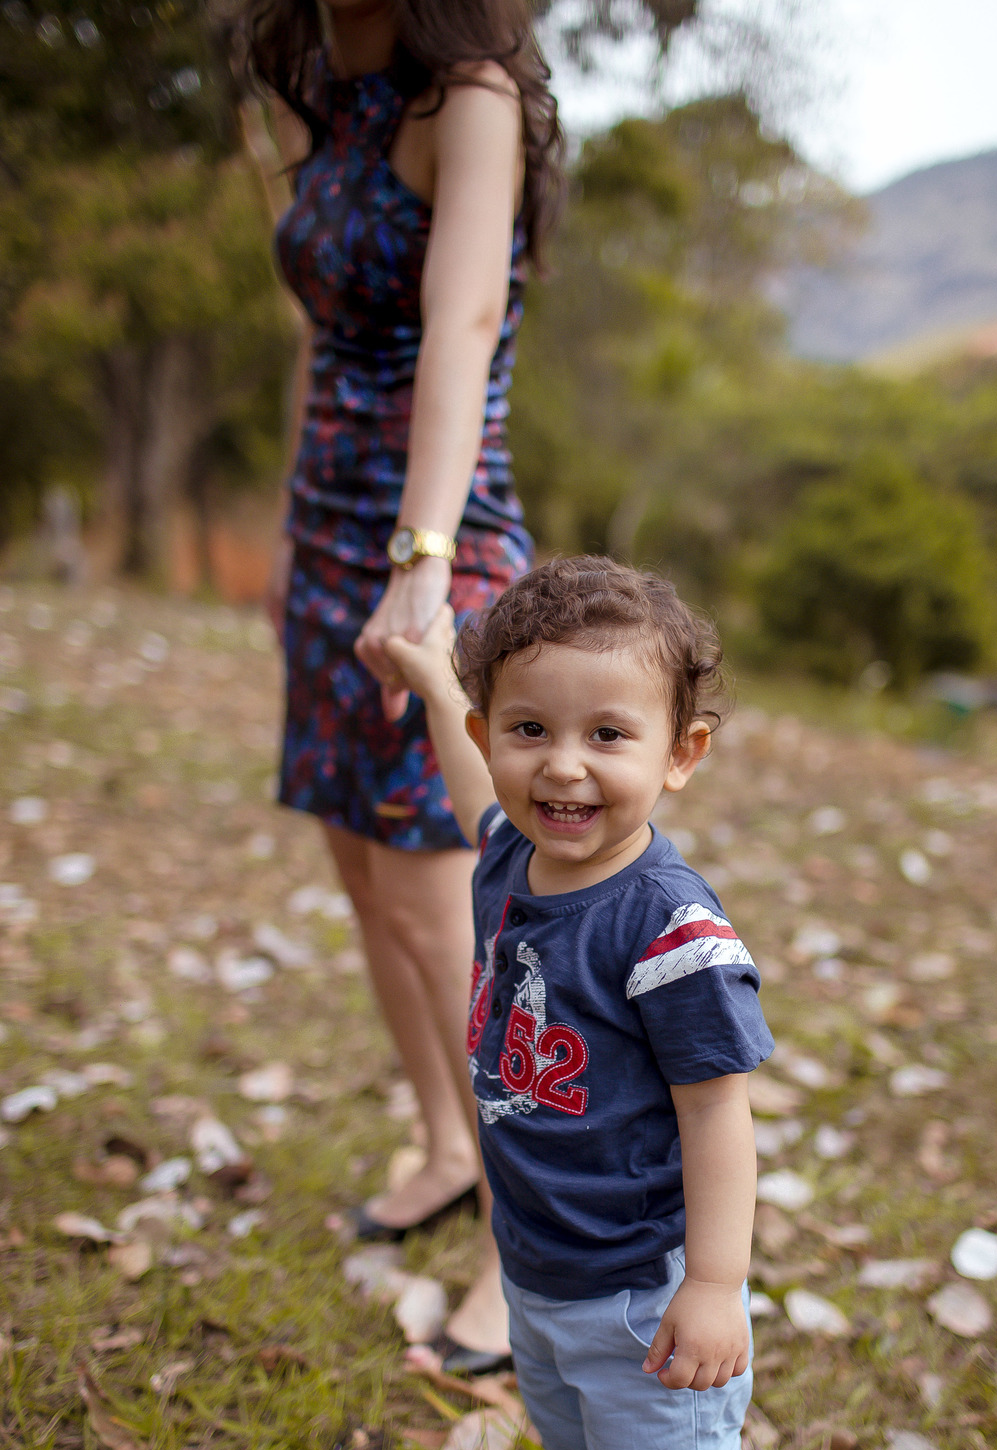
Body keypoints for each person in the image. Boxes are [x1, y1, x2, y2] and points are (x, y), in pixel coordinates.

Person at [386, 555, 773, 1450]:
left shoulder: (668, 927)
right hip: (542, 1264)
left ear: (681, 752)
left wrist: (713, 1284)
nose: (563, 765)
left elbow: (719, 1113)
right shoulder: (510, 852)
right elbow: (464, 779)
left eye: (608, 734)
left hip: (644, 1284)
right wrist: (428, 679)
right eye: (529, 728)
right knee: (586, 1448)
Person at [237, 0, 562, 1372]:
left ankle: (522, 1242)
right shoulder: (325, 72)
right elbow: (322, 327)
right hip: (327, 534)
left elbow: (465, 319)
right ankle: (442, 1144)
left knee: (452, 915)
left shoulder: (468, 92)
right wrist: (287, 538)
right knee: (364, 881)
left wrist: (421, 564)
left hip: (433, 542)